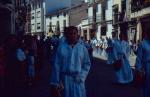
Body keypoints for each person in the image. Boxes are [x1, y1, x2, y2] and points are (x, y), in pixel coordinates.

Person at [50, 26, 91, 97]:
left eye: (74, 33)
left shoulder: (82, 48)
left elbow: (87, 64)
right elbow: (56, 66)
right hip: (64, 80)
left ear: (77, 34)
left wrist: (82, 76)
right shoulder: (61, 48)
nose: (72, 35)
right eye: (70, 34)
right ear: (67, 35)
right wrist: (56, 82)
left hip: (78, 79)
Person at [135, 25, 150, 97]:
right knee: (146, 86)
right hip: (146, 68)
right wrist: (139, 69)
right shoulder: (143, 44)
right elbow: (139, 58)